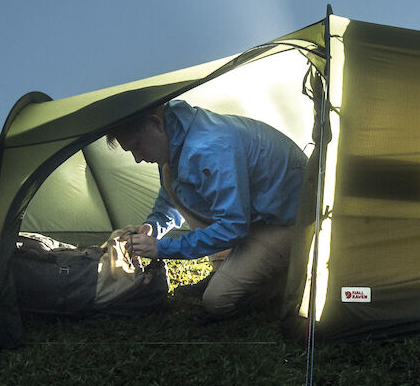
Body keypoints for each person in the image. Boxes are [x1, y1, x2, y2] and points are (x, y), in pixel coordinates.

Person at [109, 99, 308, 318]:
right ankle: (228, 267)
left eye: (137, 145)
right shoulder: (176, 135)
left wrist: (161, 248)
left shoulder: (208, 148)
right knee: (170, 175)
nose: (137, 159)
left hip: (291, 220)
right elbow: (171, 198)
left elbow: (233, 227)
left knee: (218, 301)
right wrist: (152, 226)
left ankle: (285, 278)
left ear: (156, 123)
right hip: (257, 213)